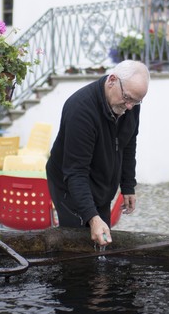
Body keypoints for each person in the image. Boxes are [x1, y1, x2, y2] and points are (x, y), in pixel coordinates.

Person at [46, 60, 149, 246]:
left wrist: (127, 185)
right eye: (127, 98)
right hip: (69, 185)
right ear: (112, 80)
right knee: (79, 245)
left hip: (102, 182)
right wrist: (92, 218)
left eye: (137, 101)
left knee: (102, 241)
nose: (130, 107)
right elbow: (75, 172)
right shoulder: (80, 110)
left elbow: (128, 144)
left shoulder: (129, 103)